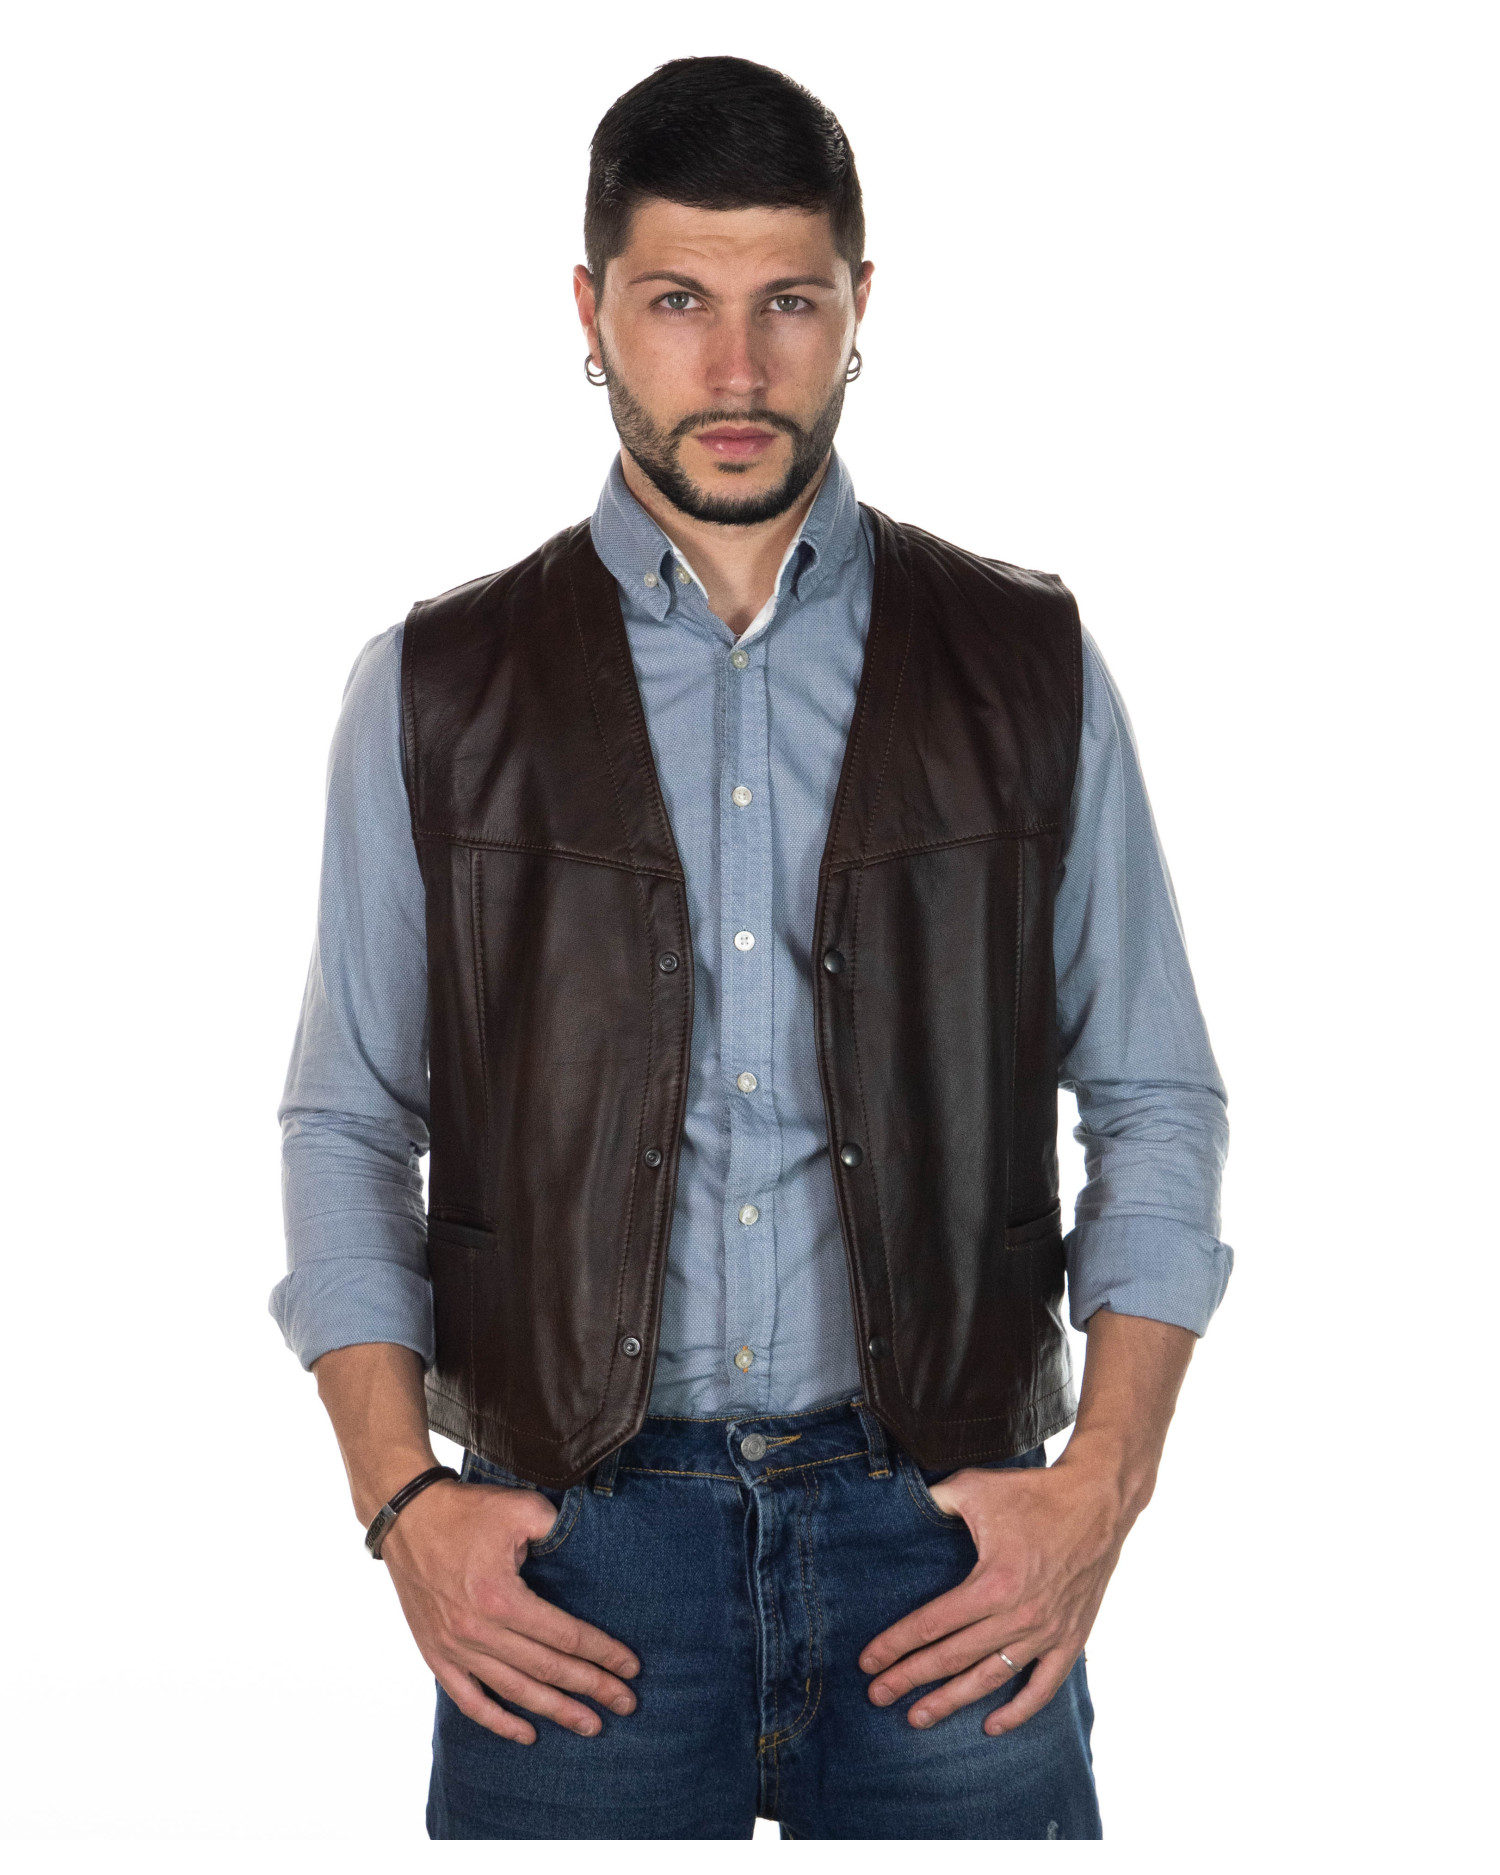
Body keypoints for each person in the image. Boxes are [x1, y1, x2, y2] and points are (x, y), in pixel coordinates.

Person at [271, 54, 1233, 1841]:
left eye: (787, 301)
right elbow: (347, 1120)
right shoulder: (437, 688)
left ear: (862, 303)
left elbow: (1155, 1094)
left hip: (948, 1544)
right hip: (571, 1559)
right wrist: (403, 1505)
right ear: (588, 313)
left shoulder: (1027, 665)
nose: (734, 370)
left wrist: (1101, 1485)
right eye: (676, 303)